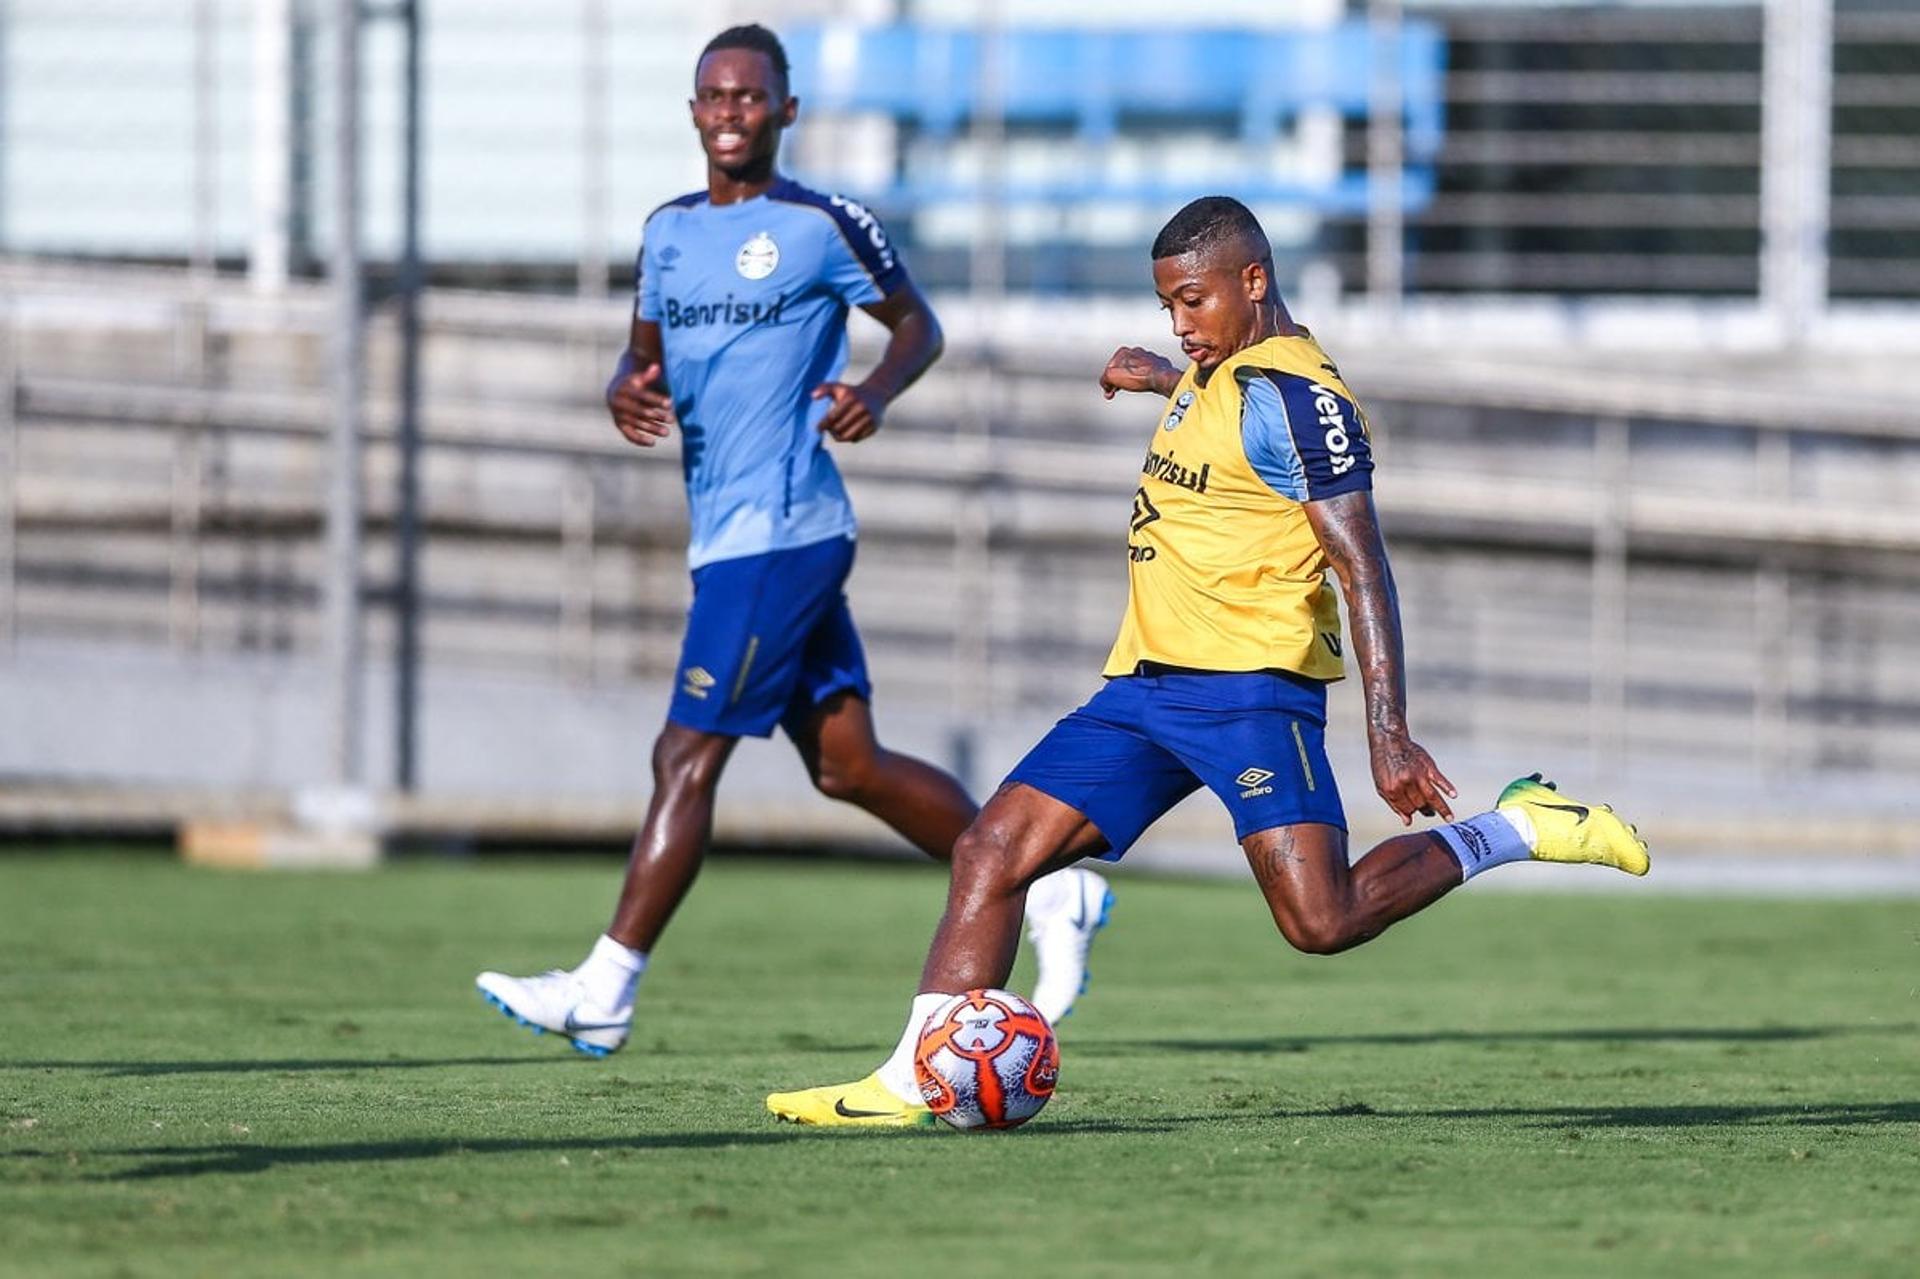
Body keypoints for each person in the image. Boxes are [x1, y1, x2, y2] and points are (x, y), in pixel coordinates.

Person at [766, 195, 1648, 1127]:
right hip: (1143, 690)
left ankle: (1516, 827)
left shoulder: (1301, 400)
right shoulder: (1217, 368)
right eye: (1167, 309)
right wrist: (1160, 377)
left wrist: (1388, 735)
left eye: (1193, 302)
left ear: (1254, 282)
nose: (1181, 325)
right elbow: (1216, 412)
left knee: (1323, 920)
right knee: (990, 849)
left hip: (1250, 696)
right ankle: (910, 1082)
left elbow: (1362, 564)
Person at [475, 24, 1112, 1057]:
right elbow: (639, 356)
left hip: (786, 533)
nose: (731, 113)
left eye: (750, 96)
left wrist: (874, 391)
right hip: (726, 533)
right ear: (693, 113)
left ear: (786, 111)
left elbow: (920, 327)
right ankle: (1046, 888)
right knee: (849, 765)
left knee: (685, 751)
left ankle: (606, 987)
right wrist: (620, 387)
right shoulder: (667, 231)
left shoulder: (821, 223)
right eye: (714, 97)